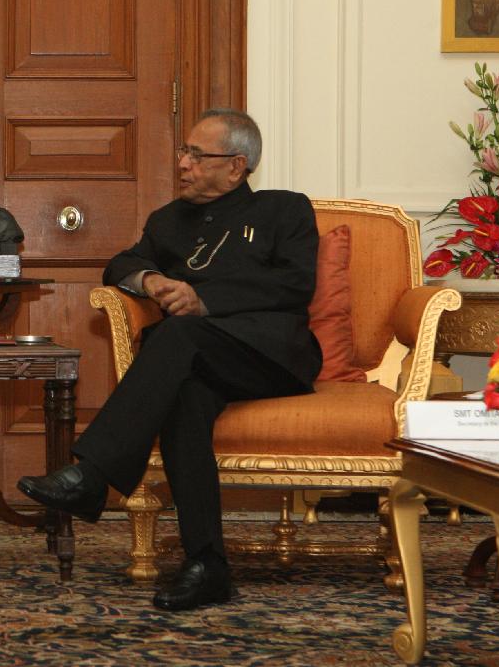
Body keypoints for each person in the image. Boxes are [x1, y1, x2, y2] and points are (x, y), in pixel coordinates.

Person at [17, 109, 322, 611]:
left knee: (177, 334)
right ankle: (207, 566)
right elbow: (121, 264)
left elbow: (294, 284)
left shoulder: (284, 209)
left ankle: (93, 474)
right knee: (184, 397)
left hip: (270, 356)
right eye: (184, 151)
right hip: (197, 359)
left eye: (198, 156)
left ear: (237, 165)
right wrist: (152, 280)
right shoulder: (168, 220)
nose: (183, 163)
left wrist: (206, 300)